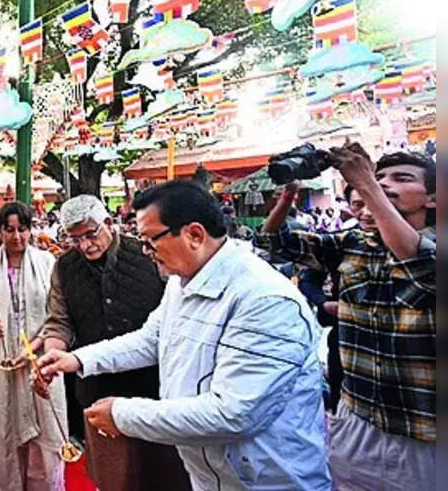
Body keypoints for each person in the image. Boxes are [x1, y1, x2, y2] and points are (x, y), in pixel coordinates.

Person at [37, 181, 330, 490]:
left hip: (266, 479)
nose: (147, 251)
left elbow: (234, 413)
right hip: (209, 472)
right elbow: (151, 339)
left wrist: (123, 414)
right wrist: (77, 359)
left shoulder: (264, 300)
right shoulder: (182, 280)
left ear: (194, 234)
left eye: (151, 240)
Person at [256, 147, 435, 490]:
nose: (386, 184)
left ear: (432, 198)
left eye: (402, 178)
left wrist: (367, 184)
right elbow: (274, 240)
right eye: (381, 177)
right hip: (358, 419)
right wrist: (288, 195)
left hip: (425, 431)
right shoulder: (353, 242)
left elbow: (419, 268)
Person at [35, 195, 188, 491]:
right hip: (97, 387)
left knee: (164, 474)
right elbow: (59, 321)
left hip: (154, 387)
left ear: (109, 223)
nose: (85, 245)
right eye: (75, 239)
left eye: (91, 234)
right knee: (112, 476)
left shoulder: (148, 255)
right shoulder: (65, 267)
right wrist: (52, 357)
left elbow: (165, 324)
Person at [0, 202, 66, 491]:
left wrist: (33, 347)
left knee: (44, 426)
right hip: (1, 358)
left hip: (40, 357)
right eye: (9, 230)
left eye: (22, 229)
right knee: (4, 425)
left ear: (30, 229)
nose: (17, 237)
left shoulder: (47, 262)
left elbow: (57, 314)